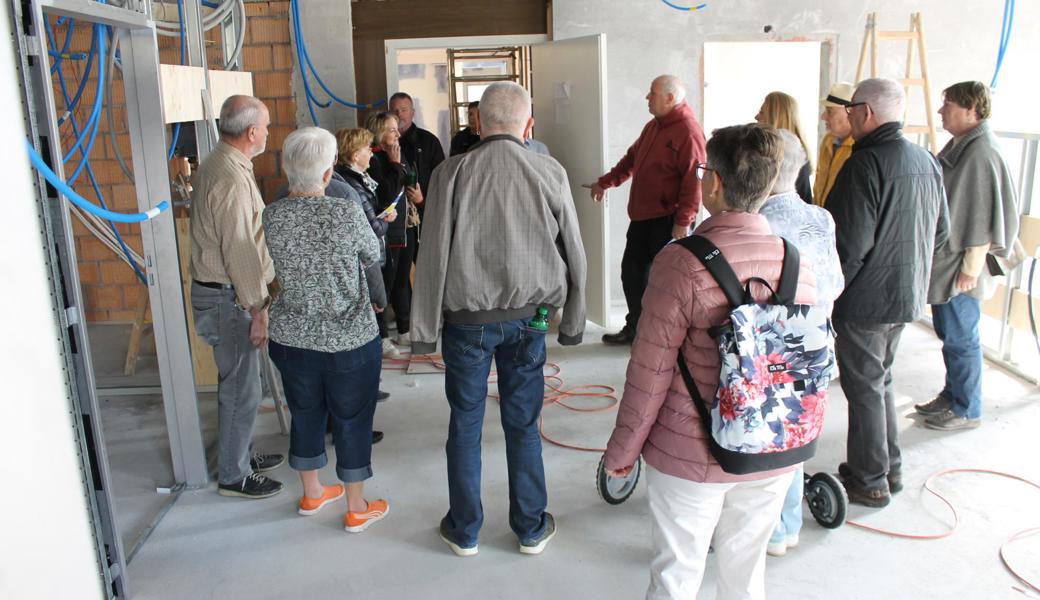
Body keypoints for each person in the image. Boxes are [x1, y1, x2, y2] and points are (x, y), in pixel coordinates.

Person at [604, 124, 817, 600]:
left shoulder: (680, 263)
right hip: (770, 449)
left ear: (713, 182)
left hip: (691, 454)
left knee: (677, 573)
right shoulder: (797, 263)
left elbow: (649, 371)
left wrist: (622, 452)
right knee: (746, 573)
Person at [411, 81, 587, 557]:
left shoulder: (450, 173)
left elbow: (432, 258)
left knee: (465, 424)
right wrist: (572, 322)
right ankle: (530, 527)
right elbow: (575, 250)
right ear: (528, 125)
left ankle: (464, 530)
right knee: (523, 424)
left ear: (478, 123)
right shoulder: (549, 170)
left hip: (467, 322)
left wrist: (423, 331)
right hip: (532, 318)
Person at [826, 77, 949, 508]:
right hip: (906, 296)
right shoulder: (926, 159)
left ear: (866, 112)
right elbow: (941, 232)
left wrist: (829, 293)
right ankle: (888, 469)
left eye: (852, 107)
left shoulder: (864, 165)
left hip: (865, 301)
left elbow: (849, 246)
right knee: (880, 381)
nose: (848, 113)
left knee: (864, 388)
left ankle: (869, 479)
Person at [263, 127, 390, 532]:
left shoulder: (271, 214)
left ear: (286, 170)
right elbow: (373, 254)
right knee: (352, 419)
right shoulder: (345, 212)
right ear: (328, 172)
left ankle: (313, 492)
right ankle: (356, 507)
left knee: (305, 413)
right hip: (349, 339)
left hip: (291, 338)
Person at [189, 95, 284, 499]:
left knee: (243, 383)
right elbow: (241, 248)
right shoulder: (229, 177)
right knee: (241, 387)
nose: (267, 133)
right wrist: (258, 309)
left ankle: (239, 453)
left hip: (230, 296)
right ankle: (233, 474)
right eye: (265, 126)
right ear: (250, 133)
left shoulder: (223, 163)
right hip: (230, 298)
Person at [758, 129, 844, 557]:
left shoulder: (760, 224)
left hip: (773, 351)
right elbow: (835, 283)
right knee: (793, 440)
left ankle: (770, 530)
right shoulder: (821, 218)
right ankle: (787, 527)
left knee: (764, 439)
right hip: (816, 347)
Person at [917, 81, 1020, 431]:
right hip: (952, 262)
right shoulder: (964, 144)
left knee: (962, 337)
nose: (942, 110)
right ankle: (952, 395)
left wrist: (970, 269)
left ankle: (967, 409)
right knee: (950, 333)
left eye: (949, 104)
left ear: (973, 110)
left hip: (962, 268)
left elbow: (981, 217)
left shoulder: (980, 152)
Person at [591, 75, 706, 345]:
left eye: (652, 93)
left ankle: (664, 336)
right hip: (643, 218)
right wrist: (605, 182)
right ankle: (636, 328)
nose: (647, 98)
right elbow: (632, 158)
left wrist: (683, 221)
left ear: (670, 98)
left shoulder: (688, 131)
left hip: (668, 220)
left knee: (665, 282)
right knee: (632, 274)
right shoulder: (654, 127)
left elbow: (694, 179)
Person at [335, 128, 399, 360]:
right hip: (368, 257)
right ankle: (377, 347)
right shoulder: (354, 186)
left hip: (368, 254)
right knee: (375, 303)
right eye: (366, 149)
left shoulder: (354, 180)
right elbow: (370, 228)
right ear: (354, 155)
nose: (372, 154)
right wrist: (387, 220)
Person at [364, 112, 417, 352]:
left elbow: (408, 181)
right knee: (386, 282)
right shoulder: (374, 159)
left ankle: (405, 330)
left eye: (397, 129)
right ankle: (383, 335)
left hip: (405, 226)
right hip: (388, 229)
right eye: (391, 129)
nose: (397, 133)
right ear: (379, 133)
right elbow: (386, 194)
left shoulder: (398, 152)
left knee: (403, 280)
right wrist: (394, 165)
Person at [389, 91, 446, 222]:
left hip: (425, 213)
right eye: (395, 111)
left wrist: (423, 201)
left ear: (412, 113)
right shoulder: (382, 143)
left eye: (404, 110)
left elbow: (441, 180)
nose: (399, 115)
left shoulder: (429, 141)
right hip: (392, 215)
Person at [755, 91, 813, 204]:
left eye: (761, 113)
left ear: (775, 117)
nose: (756, 117)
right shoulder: (798, 152)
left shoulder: (788, 156)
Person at [813, 82, 856, 207]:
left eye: (830, 111)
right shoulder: (828, 140)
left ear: (850, 112)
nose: (823, 116)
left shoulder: (858, 148)